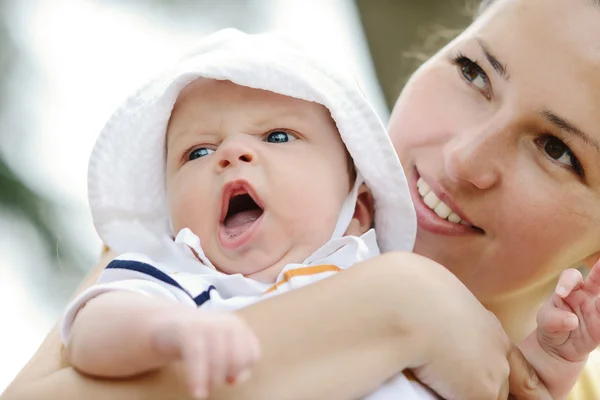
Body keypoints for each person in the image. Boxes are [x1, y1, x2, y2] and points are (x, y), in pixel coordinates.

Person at [2, 0, 600, 399]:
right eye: (473, 72)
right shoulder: (187, 253)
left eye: (556, 150)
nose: (463, 159)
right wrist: (403, 307)